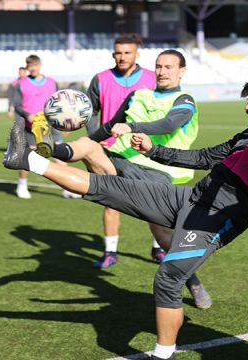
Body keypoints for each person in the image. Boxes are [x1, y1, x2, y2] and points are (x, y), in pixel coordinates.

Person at [3, 74, 248, 360]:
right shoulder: (245, 135)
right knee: (107, 188)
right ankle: (27, 159)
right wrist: (155, 151)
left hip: (215, 219)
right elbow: (205, 157)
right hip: (192, 198)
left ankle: (163, 354)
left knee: (168, 279)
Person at [35, 50, 194, 268]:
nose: (162, 71)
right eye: (159, 66)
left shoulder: (184, 100)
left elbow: (169, 124)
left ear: (181, 71)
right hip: (121, 161)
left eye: (169, 67)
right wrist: (91, 139)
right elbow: (110, 127)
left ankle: (192, 281)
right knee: (88, 145)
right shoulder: (138, 95)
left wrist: (131, 127)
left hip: (158, 173)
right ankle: (50, 150)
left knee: (163, 235)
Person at [85, 33, 159, 266]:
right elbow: (89, 112)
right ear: (113, 53)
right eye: (118, 52)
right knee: (110, 202)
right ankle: (110, 253)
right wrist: (93, 138)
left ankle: (158, 248)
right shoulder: (100, 79)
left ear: (137, 54)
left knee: (155, 201)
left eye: (127, 52)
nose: (122, 57)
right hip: (110, 150)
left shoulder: (152, 78)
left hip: (143, 150)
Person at [12, 54, 76, 199]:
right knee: (28, 156)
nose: (33, 68)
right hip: (30, 127)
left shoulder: (52, 82)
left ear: (40, 65)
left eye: (35, 65)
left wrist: (63, 124)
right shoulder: (20, 84)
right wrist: (27, 114)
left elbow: (59, 104)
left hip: (50, 125)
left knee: (60, 156)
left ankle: (68, 187)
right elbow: (16, 105)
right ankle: (22, 185)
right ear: (27, 67)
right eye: (30, 66)